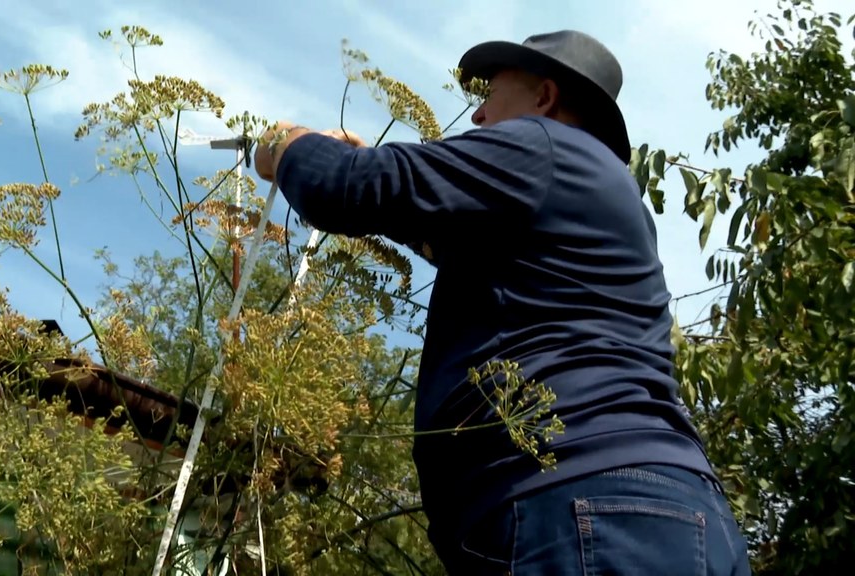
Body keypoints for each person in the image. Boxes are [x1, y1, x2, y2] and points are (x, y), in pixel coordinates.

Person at [253, 30, 752, 575]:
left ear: (544, 98)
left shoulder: (543, 145)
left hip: (581, 507)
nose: (478, 117)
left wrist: (288, 143)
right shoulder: (599, 189)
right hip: (658, 513)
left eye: (490, 96)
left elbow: (346, 187)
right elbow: (439, 228)